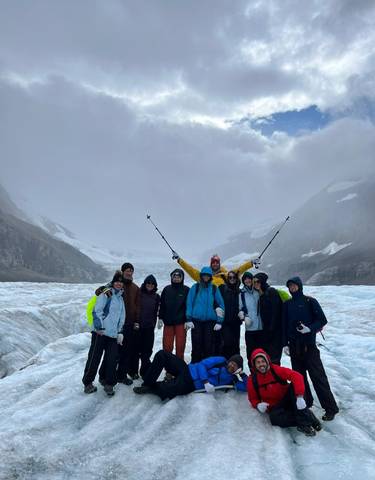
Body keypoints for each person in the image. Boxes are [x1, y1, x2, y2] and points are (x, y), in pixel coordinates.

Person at [283, 277, 339, 421]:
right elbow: (284, 326)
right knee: (299, 378)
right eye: (290, 286)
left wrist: (310, 329)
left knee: (318, 377)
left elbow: (322, 319)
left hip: (310, 347)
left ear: (299, 286)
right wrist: (285, 344)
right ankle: (306, 403)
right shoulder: (287, 304)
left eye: (294, 285)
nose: (292, 288)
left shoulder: (310, 301)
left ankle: (330, 408)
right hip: (294, 347)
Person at [247, 348, 321, 436]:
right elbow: (253, 398)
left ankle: (304, 424)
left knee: (294, 386)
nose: (261, 364)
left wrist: (300, 396)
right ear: (254, 365)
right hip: (275, 406)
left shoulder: (275, 369)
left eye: (263, 361)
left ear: (267, 361)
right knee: (274, 419)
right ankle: (308, 417)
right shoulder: (252, 380)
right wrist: (258, 405)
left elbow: (297, 376)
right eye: (258, 362)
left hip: (288, 398)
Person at [133, 350, 247, 400]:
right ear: (229, 361)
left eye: (236, 366)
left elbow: (246, 387)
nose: (232, 366)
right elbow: (203, 364)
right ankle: (147, 382)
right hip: (187, 369)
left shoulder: (231, 380)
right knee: (162, 355)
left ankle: (150, 388)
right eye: (232, 362)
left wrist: (242, 374)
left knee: (168, 389)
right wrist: (205, 381)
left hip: (190, 384)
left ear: (238, 368)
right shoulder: (221, 360)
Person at [82, 272, 125, 396]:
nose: (118, 283)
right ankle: (87, 382)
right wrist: (99, 326)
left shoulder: (121, 298)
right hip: (100, 333)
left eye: (121, 282)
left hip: (112, 335)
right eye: (117, 281)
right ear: (113, 282)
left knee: (112, 359)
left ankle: (109, 383)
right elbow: (97, 310)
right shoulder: (107, 293)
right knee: (94, 359)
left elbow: (122, 317)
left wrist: (120, 332)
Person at [186, 266, 225, 362]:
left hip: (210, 322)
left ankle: (207, 367)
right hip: (196, 321)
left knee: (208, 346)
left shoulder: (214, 289)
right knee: (196, 345)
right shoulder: (195, 288)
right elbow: (189, 303)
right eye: (204, 275)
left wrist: (219, 321)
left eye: (208, 276)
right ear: (201, 276)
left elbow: (221, 304)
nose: (206, 277)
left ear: (211, 276)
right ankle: (194, 366)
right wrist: (188, 319)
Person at [172, 252, 260, 287]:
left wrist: (251, 263)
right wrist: (179, 260)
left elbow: (239, 270)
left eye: (216, 262)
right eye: (213, 262)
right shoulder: (204, 276)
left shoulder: (226, 275)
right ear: (211, 263)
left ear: (219, 263)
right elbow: (190, 270)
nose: (215, 264)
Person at [116, 262, 141, 384]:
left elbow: (137, 306)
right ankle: (109, 375)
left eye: (131, 270)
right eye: (127, 270)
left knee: (126, 350)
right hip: (116, 324)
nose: (129, 272)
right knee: (115, 352)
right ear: (122, 271)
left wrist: (136, 321)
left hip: (130, 323)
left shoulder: (135, 288)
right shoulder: (117, 285)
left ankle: (122, 375)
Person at [131, 275, 160, 379]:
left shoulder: (156, 297)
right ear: (145, 283)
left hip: (149, 328)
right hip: (138, 327)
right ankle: (133, 371)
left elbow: (158, 310)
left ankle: (144, 371)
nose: (150, 285)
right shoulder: (139, 293)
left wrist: (155, 322)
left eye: (152, 284)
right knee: (135, 350)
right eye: (148, 283)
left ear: (155, 285)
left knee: (147, 351)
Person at [158, 268, 190, 359]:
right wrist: (160, 318)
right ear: (171, 277)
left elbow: (189, 306)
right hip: (168, 322)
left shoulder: (186, 290)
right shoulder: (167, 289)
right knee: (167, 346)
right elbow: (162, 305)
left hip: (181, 322)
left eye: (178, 277)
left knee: (180, 346)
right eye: (174, 276)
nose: (176, 278)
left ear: (182, 278)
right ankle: (169, 368)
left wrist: (188, 319)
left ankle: (179, 367)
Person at [253, 272, 283, 365]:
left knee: (274, 359)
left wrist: (271, 329)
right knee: (267, 358)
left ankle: (277, 378)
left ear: (262, 281)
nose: (256, 284)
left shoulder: (271, 292)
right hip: (265, 332)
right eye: (254, 282)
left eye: (257, 281)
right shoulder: (260, 295)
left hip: (275, 333)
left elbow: (276, 312)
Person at [238, 272, 263, 364]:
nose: (248, 280)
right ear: (243, 281)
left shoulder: (258, 291)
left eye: (249, 278)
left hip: (261, 327)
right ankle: (253, 374)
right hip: (250, 328)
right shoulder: (242, 294)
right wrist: (244, 317)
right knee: (251, 353)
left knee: (261, 352)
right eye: (245, 279)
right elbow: (240, 308)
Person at [218, 271, 242, 358]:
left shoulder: (239, 291)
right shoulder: (222, 289)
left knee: (236, 345)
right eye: (230, 277)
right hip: (225, 323)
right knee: (226, 344)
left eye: (234, 277)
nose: (232, 279)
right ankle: (225, 365)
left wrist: (242, 313)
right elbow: (216, 301)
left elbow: (243, 305)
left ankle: (237, 367)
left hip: (236, 323)